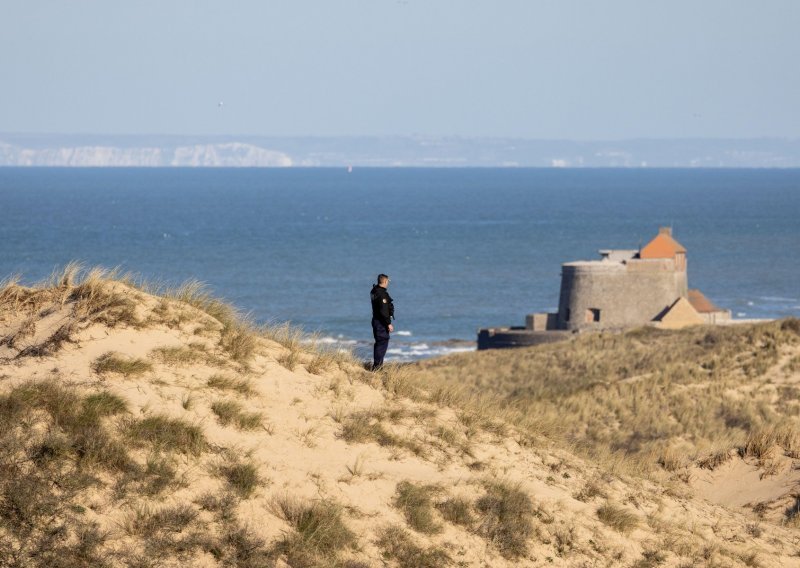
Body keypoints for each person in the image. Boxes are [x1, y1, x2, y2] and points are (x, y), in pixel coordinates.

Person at [370, 274, 394, 370]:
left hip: (376, 320)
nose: (388, 283)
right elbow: (383, 310)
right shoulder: (381, 294)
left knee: (379, 342)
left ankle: (377, 366)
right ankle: (377, 368)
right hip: (381, 322)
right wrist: (388, 323)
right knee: (382, 342)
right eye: (387, 281)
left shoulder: (374, 290)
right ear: (384, 281)